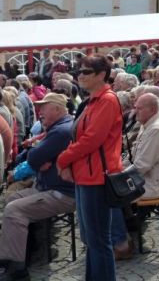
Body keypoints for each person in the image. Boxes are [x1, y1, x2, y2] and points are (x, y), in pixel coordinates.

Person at [0, 93, 75, 280]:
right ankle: (19, 254)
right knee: (13, 199)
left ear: (57, 108)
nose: (40, 111)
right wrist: (40, 160)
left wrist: (39, 160)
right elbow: (35, 155)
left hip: (62, 193)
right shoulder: (58, 127)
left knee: (15, 210)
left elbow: (33, 156)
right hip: (50, 186)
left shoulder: (61, 130)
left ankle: (18, 271)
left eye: (44, 107)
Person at [56, 55, 122, 281]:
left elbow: (91, 139)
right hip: (86, 175)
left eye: (85, 72)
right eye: (78, 72)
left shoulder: (107, 100)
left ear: (101, 75)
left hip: (98, 177)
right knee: (91, 239)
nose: (80, 76)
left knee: (99, 240)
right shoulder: (93, 100)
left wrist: (62, 160)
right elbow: (79, 137)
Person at [111, 93, 159, 259]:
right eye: (135, 108)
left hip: (158, 184)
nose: (135, 112)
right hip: (148, 179)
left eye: (139, 108)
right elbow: (133, 157)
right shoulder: (148, 124)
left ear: (152, 109)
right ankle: (127, 223)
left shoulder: (156, 128)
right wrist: (116, 168)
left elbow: (142, 166)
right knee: (108, 185)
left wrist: (117, 176)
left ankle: (122, 244)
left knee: (110, 194)